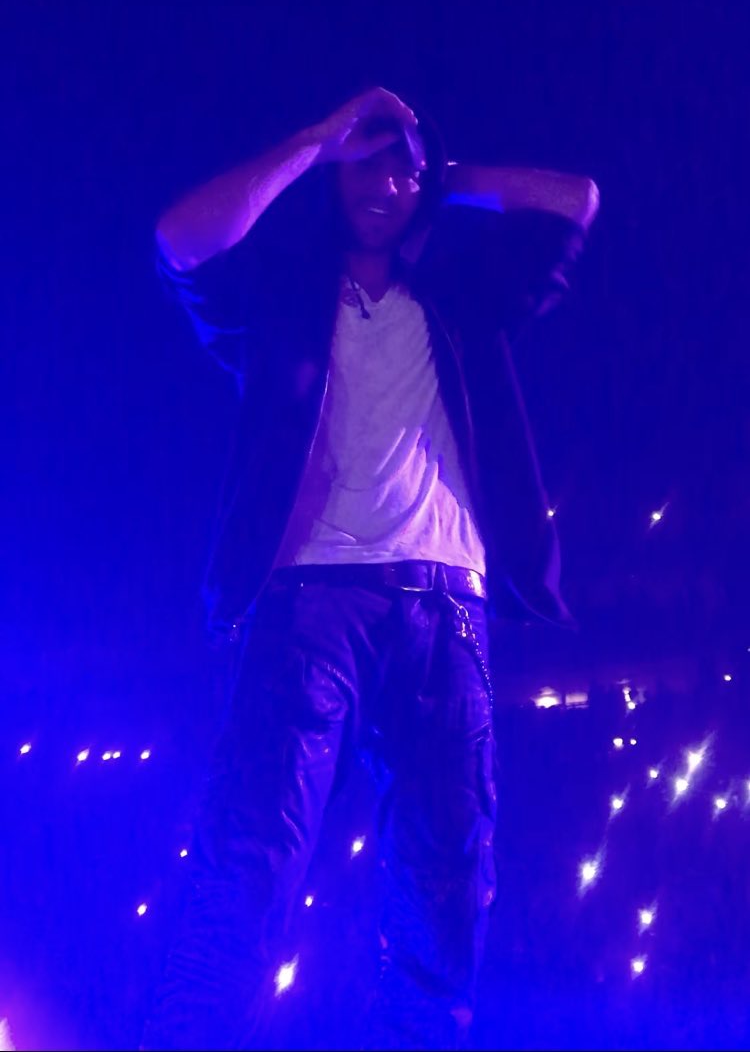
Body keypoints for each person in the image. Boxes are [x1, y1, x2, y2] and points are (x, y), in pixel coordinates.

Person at [142, 87, 599, 1051]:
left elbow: (576, 201)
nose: (383, 184)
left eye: (402, 169)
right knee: (247, 862)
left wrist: (442, 177)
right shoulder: (282, 299)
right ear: (335, 178)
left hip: (448, 607)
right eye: (367, 166)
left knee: (447, 891)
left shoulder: (462, 299)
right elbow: (180, 238)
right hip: (311, 603)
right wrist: (318, 141)